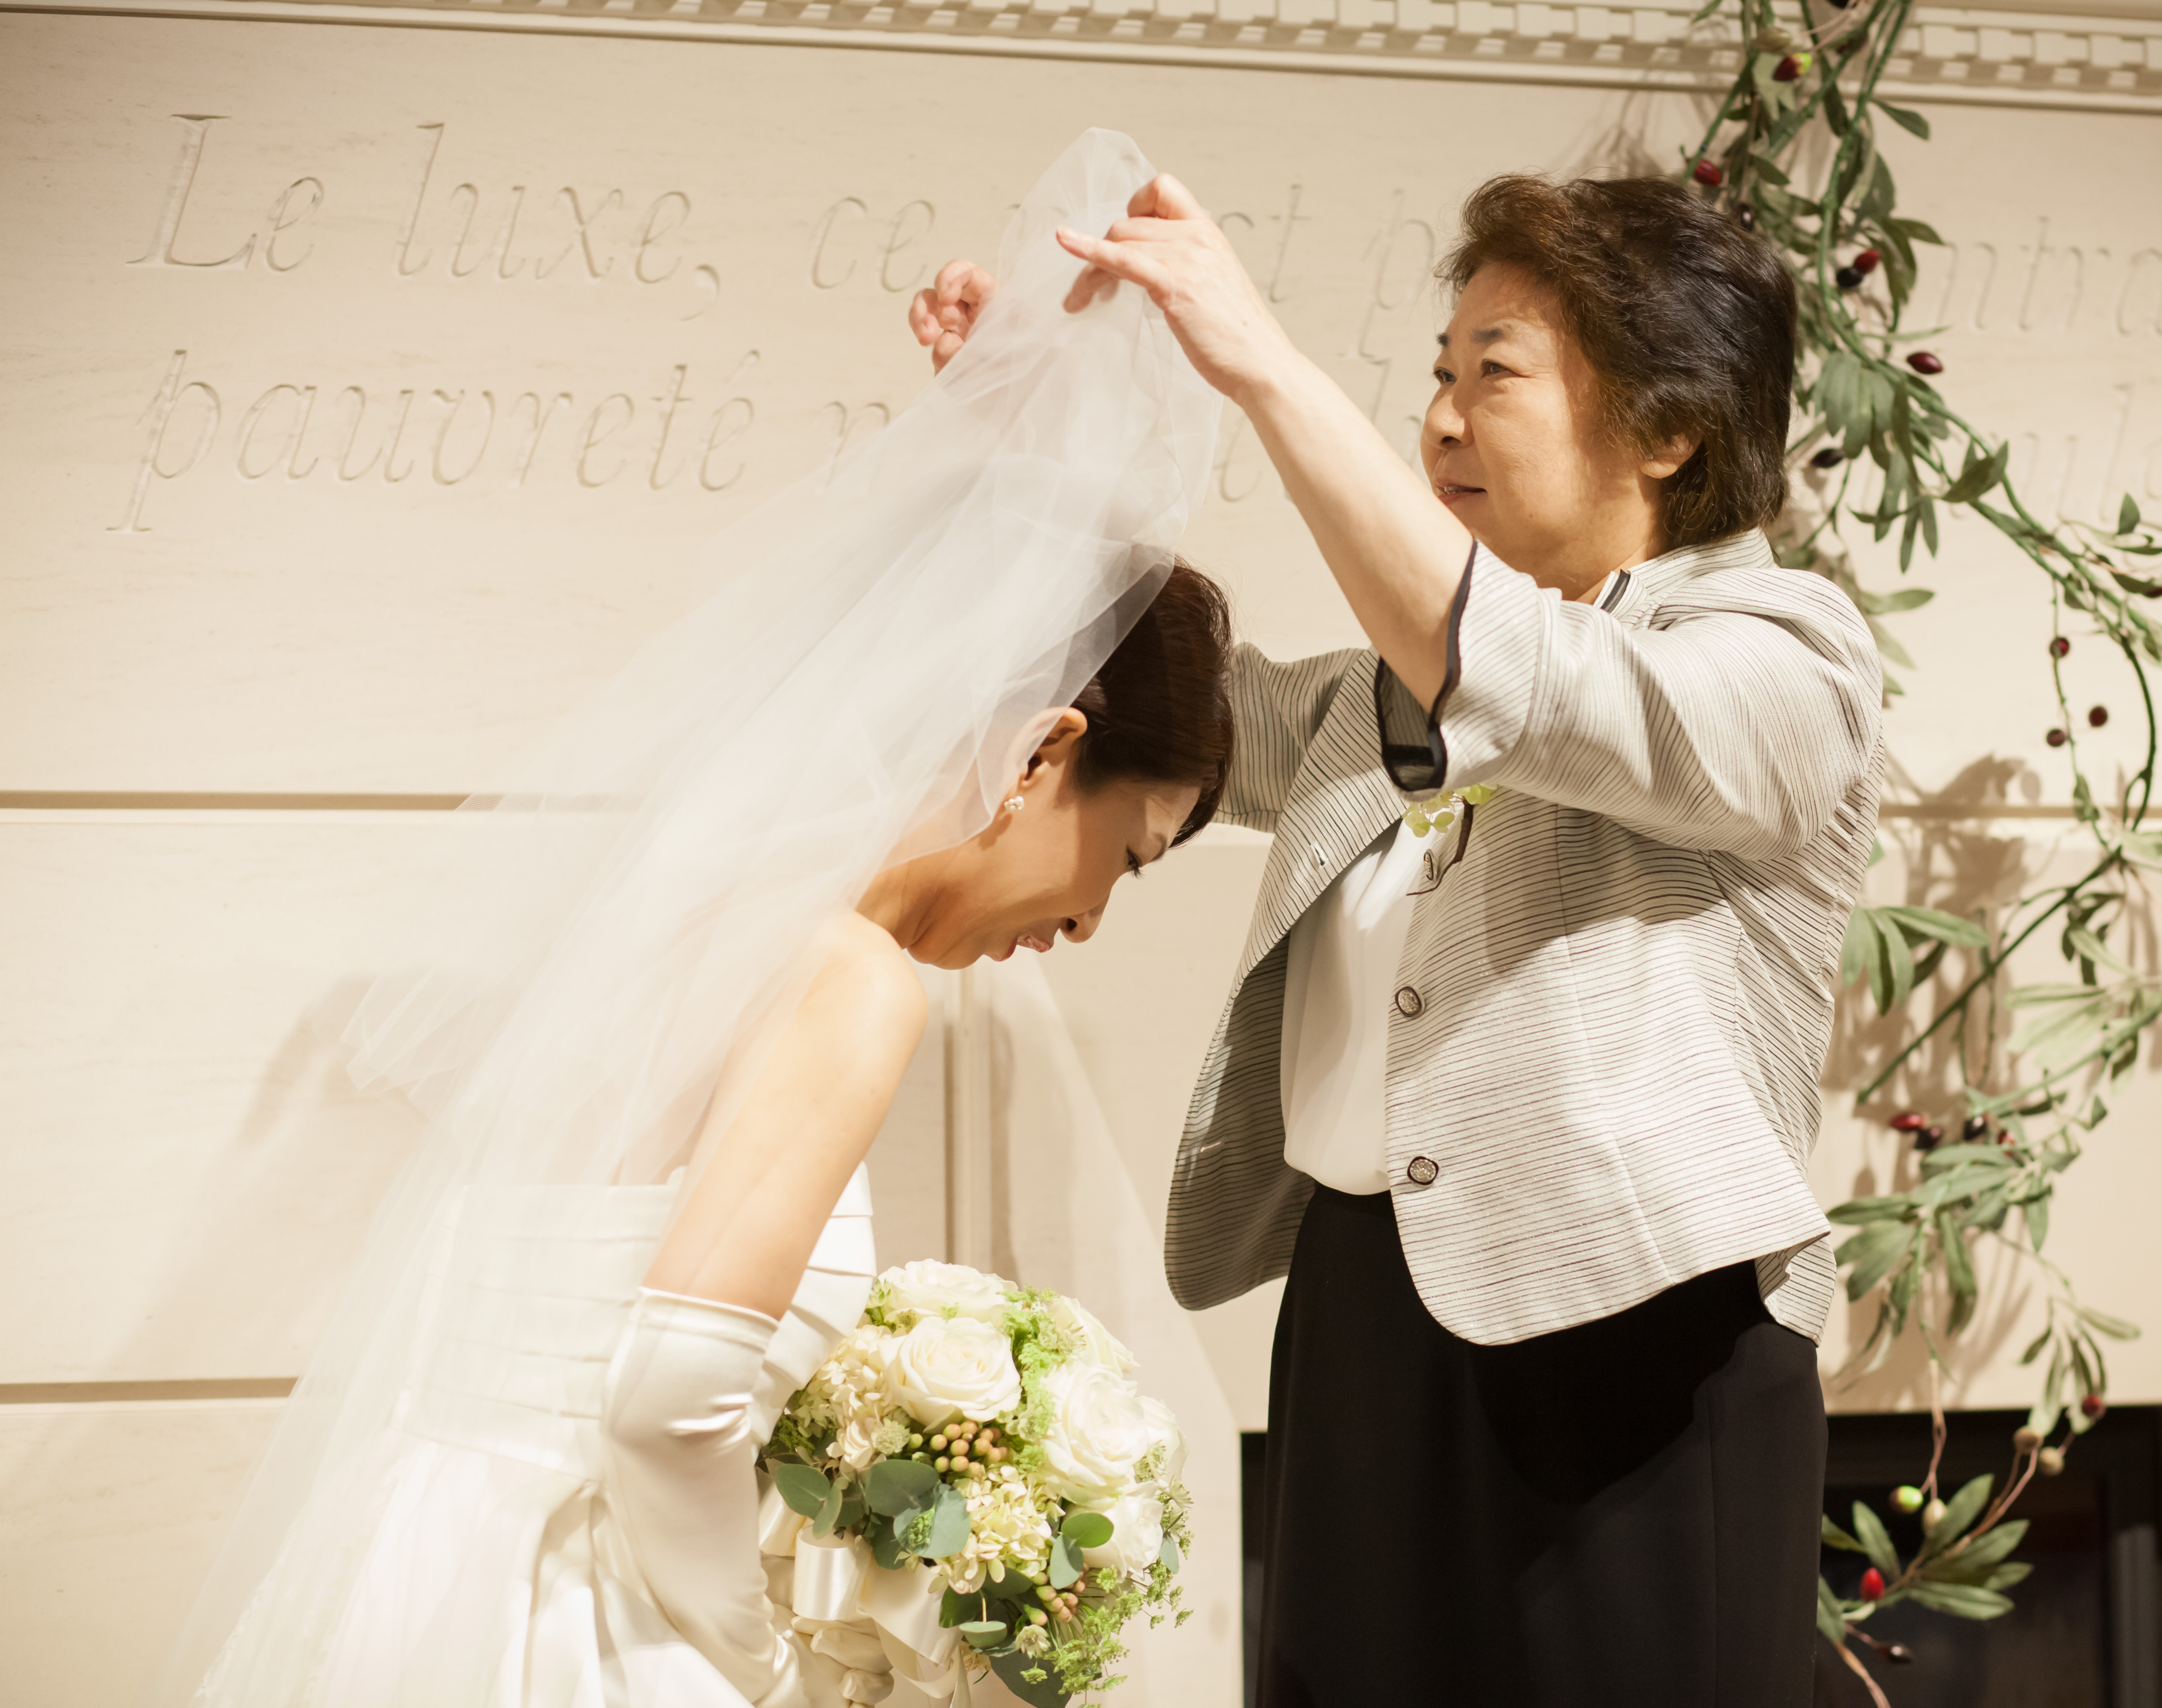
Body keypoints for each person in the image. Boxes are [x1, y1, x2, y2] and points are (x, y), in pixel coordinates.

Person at [160, 131, 1232, 1708]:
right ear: (1044, 756)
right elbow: (667, 1408)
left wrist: (1012, 432)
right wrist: (770, 1656)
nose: (1085, 927)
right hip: (583, 1614)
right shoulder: (850, 977)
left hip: (429, 1551)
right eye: (1127, 858)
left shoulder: (697, 894)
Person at [912, 166, 1883, 1703]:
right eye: (1438, 375)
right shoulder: (1389, 694)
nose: (1439, 420)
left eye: (1493, 375)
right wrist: (1012, 452)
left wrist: (1261, 367)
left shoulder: (1783, 658)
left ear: (1672, 429)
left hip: (1633, 1352)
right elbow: (1165, 699)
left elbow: (1548, 693)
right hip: (1364, 1323)